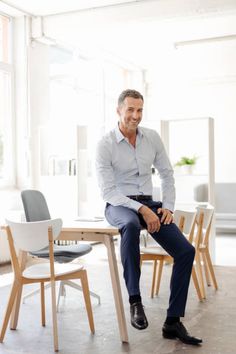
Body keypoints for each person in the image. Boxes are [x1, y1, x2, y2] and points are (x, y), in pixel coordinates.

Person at [95, 89, 202, 345]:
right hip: (119, 205)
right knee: (131, 225)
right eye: (130, 109)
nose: (135, 115)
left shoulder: (152, 138)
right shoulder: (105, 144)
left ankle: (173, 321)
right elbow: (108, 191)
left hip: (150, 204)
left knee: (186, 251)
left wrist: (168, 207)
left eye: (140, 110)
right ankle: (135, 301)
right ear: (119, 110)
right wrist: (141, 210)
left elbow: (167, 174)